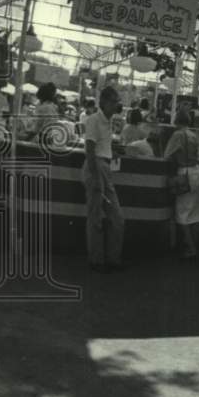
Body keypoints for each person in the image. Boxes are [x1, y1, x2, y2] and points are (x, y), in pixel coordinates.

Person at [82, 86, 125, 272]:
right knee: (97, 216)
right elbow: (89, 149)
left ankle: (109, 259)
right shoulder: (94, 120)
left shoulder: (107, 121)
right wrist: (95, 176)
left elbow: (98, 147)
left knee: (115, 217)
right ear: (105, 102)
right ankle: (98, 260)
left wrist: (111, 152)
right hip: (97, 168)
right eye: (115, 101)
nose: (117, 105)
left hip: (103, 166)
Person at [163, 108, 199, 261]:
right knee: (195, 211)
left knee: (181, 213)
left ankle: (190, 248)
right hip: (196, 171)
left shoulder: (177, 134)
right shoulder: (193, 135)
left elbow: (167, 155)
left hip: (184, 173)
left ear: (176, 121)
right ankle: (196, 244)